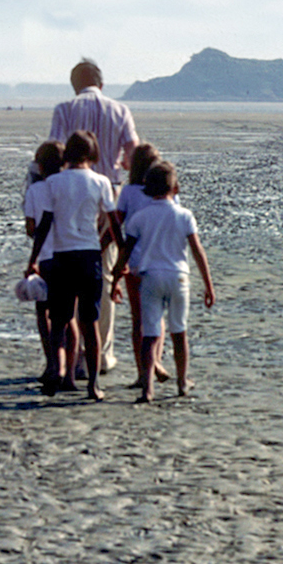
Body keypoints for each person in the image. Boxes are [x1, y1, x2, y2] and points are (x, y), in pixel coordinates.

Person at [48, 59, 138, 374]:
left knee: (68, 270)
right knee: (103, 274)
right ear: (101, 83)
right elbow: (132, 155)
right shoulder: (120, 110)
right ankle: (99, 355)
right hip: (108, 195)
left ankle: (69, 356)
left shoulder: (64, 109)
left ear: (75, 84)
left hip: (71, 193)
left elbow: (55, 152)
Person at [113, 161, 216, 402]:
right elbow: (198, 251)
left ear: (147, 190)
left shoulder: (139, 218)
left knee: (150, 334)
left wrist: (114, 280)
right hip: (178, 277)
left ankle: (147, 388)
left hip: (149, 278)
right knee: (178, 332)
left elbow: (125, 253)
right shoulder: (184, 216)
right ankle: (181, 382)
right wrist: (208, 285)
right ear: (176, 188)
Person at [28, 130, 114, 401]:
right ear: (92, 154)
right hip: (89, 256)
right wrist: (120, 254)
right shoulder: (101, 181)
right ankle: (93, 384)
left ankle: (54, 371)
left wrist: (33, 258)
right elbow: (114, 223)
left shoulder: (54, 182)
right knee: (90, 323)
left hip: (62, 257)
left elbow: (44, 225)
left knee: (58, 321)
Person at [110, 143, 171, 386]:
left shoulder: (128, 193)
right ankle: (155, 361)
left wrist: (106, 249)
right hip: (160, 261)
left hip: (135, 262)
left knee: (138, 319)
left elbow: (117, 225)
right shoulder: (166, 195)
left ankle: (142, 372)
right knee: (158, 316)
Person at [21, 140, 63, 385]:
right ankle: (67, 367)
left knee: (43, 313)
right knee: (67, 315)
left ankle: (51, 363)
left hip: (46, 257)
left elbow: (31, 228)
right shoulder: (65, 187)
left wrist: (32, 259)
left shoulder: (35, 191)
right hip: (68, 254)